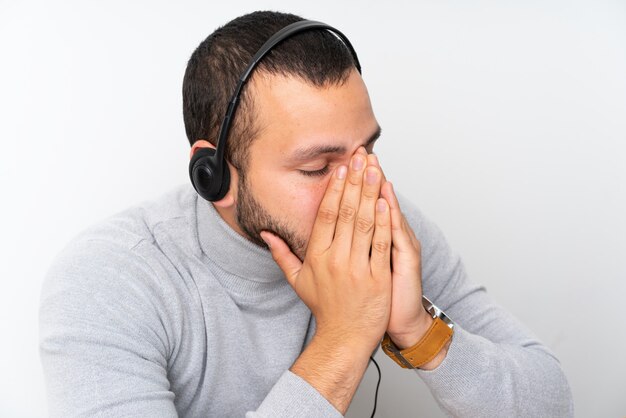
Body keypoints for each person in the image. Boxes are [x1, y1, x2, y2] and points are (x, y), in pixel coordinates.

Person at [39, 10, 574, 418]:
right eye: (319, 167)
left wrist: (417, 330)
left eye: (365, 152)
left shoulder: (381, 223)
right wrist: (344, 338)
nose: (362, 189)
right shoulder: (109, 279)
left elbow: (550, 401)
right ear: (215, 177)